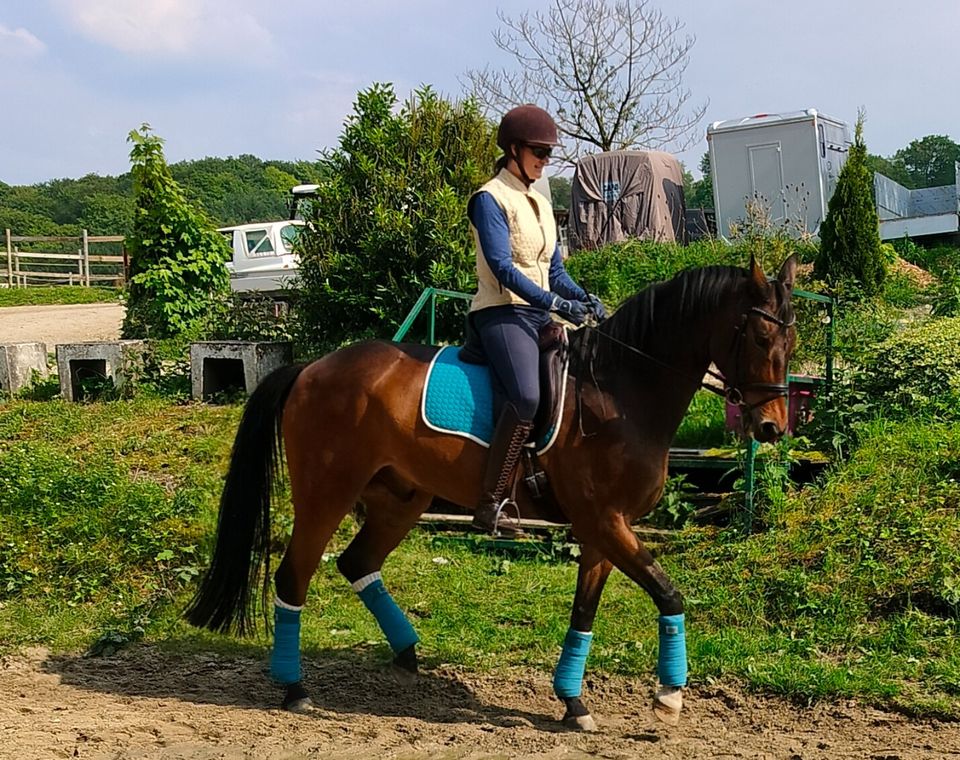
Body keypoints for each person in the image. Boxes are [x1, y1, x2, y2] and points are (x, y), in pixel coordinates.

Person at [467, 104, 606, 537]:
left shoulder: (542, 203)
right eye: (539, 152)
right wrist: (557, 304)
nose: (545, 161)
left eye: (549, 154)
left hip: (539, 314)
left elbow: (556, 271)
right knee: (526, 397)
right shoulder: (489, 198)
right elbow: (504, 269)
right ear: (513, 149)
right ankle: (490, 503)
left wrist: (583, 297)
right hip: (501, 313)